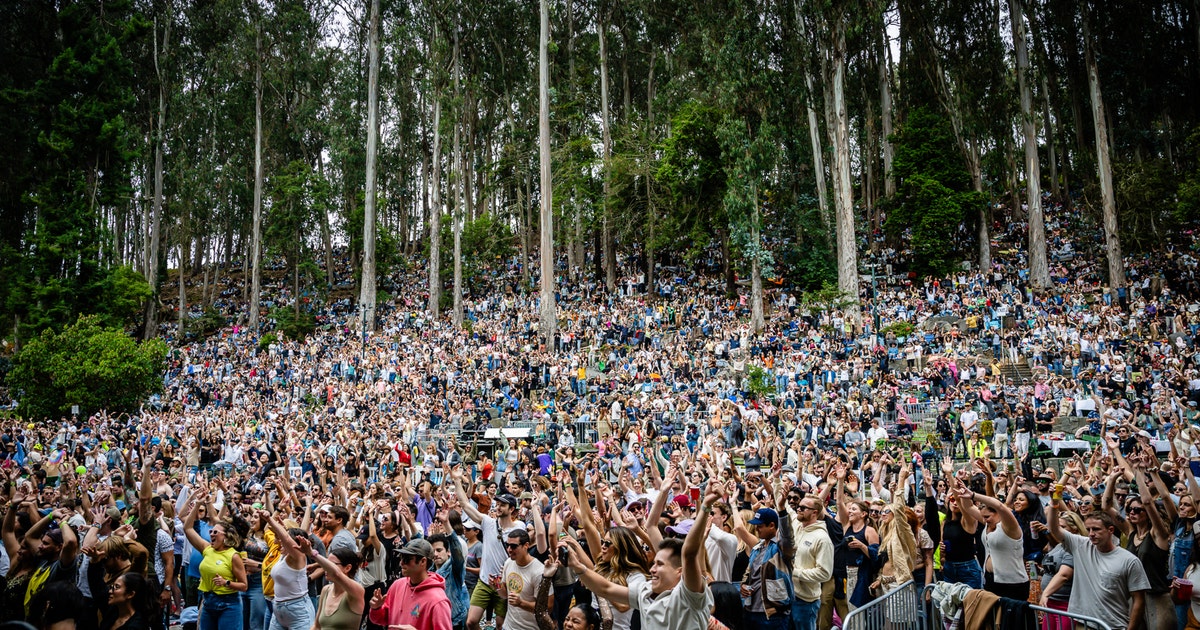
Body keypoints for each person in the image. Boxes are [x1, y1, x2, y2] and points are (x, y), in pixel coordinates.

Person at [566, 484, 716, 630]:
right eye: (655, 563)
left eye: (660, 564)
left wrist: (705, 505)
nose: (652, 569)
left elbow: (689, 554)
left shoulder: (690, 596)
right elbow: (606, 588)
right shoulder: (645, 592)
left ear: (679, 571)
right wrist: (577, 567)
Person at [1047, 493, 1150, 630]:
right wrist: (1054, 502)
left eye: (1096, 529)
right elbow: (1054, 529)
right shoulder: (1081, 545)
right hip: (1083, 623)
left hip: (1112, 626)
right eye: (1088, 529)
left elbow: (1139, 600)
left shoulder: (1129, 560)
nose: (1091, 534)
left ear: (1110, 530)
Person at [451, 466, 525, 630]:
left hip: (504, 584)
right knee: (471, 622)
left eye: (502, 505)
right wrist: (456, 480)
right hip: (484, 581)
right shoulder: (488, 522)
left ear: (511, 509)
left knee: (500, 624)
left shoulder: (519, 528)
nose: (498, 507)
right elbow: (465, 504)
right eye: (497, 504)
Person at [184, 491, 247, 630]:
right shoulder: (207, 549)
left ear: (226, 536)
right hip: (208, 601)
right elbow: (187, 528)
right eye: (211, 531)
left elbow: (244, 585)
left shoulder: (233, 556)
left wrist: (226, 583)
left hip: (228, 604)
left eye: (215, 532)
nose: (211, 534)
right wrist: (197, 505)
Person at [367, 538, 452, 630]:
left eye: (407, 559)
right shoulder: (397, 585)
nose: (401, 563)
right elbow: (382, 619)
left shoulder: (438, 601)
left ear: (423, 561)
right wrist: (377, 608)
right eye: (401, 557)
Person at [783, 491, 833, 630]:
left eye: (803, 508)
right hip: (788, 596)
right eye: (799, 506)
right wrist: (776, 481)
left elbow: (825, 573)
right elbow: (785, 507)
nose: (798, 509)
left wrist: (794, 572)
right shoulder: (797, 525)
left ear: (814, 513)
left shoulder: (822, 539)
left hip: (805, 601)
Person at [296, 538, 364, 630]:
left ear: (347, 568)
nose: (326, 568)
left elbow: (337, 574)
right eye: (326, 564)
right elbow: (317, 626)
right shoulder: (326, 590)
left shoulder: (356, 591)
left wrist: (312, 553)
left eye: (331, 565)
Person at [498, 528, 547, 630]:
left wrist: (521, 603)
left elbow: (546, 608)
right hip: (508, 626)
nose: (509, 549)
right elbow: (505, 595)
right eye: (507, 545)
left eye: (513, 546)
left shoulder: (539, 572)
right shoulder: (508, 562)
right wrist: (497, 585)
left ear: (526, 545)